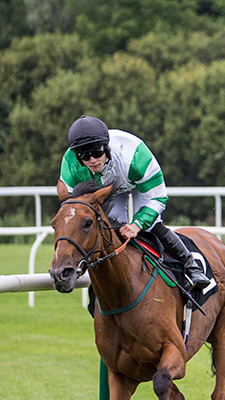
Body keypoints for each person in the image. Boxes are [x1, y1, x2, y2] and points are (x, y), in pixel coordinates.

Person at [57, 115, 210, 290]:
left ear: (106, 147)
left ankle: (191, 265)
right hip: (105, 189)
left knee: (151, 225)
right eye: (84, 156)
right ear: (76, 157)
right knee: (111, 231)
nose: (92, 160)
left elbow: (158, 198)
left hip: (135, 182)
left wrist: (137, 224)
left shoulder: (135, 157)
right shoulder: (71, 164)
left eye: (97, 152)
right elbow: (72, 208)